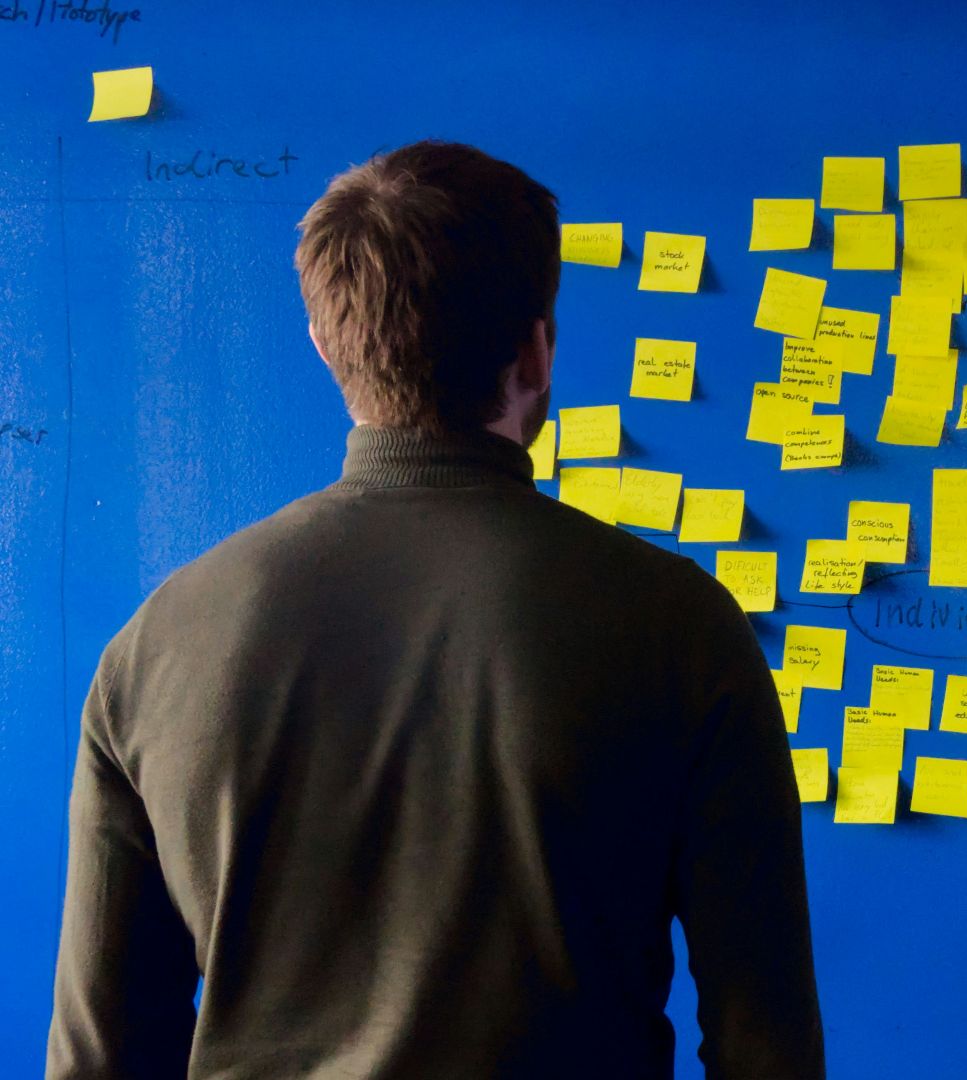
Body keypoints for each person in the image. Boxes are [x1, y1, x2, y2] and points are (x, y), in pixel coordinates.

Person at [47, 140, 823, 1079]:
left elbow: (101, 1056)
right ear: (536, 352)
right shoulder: (682, 626)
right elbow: (767, 1044)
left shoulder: (154, 649)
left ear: (326, 343)